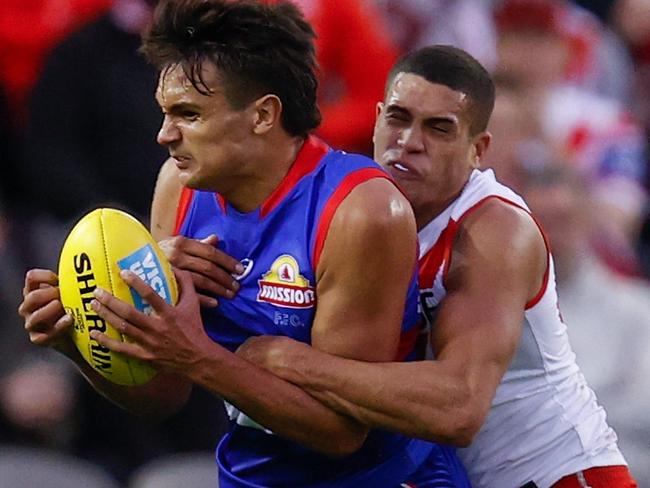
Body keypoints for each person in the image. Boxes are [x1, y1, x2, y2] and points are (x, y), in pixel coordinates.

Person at [18, 1, 470, 486]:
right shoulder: (179, 185)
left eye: (187, 114)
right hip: (247, 473)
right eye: (165, 113)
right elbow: (165, 394)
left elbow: (342, 435)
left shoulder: (360, 211)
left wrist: (199, 356)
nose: (164, 135)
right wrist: (79, 342)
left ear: (262, 115)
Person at [234, 45, 639, 487]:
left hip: (558, 474)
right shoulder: (357, 210)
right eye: (398, 118)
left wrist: (293, 363)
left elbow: (459, 408)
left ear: (477, 150)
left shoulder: (495, 231)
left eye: (439, 129)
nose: (410, 141)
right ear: (375, 120)